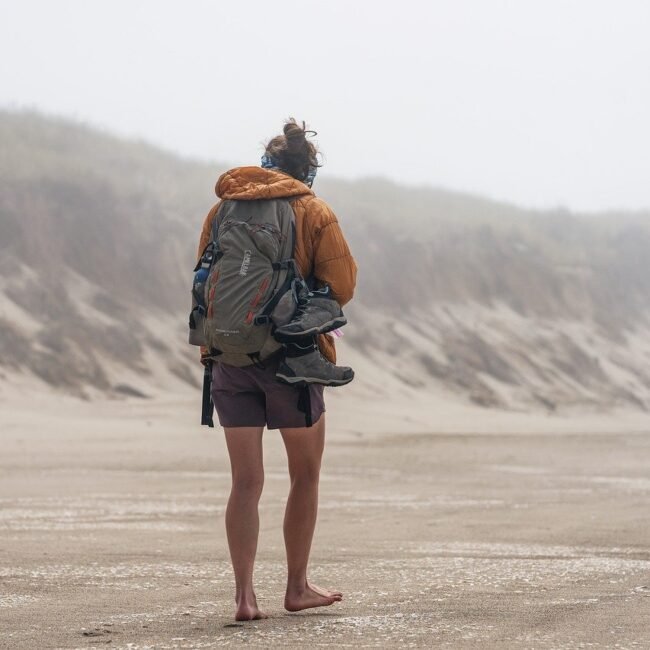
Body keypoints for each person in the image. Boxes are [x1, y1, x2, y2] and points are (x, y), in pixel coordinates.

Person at [196, 119, 357, 620]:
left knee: (246, 480)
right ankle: (296, 586)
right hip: (293, 360)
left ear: (264, 165)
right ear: (307, 170)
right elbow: (342, 283)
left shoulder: (223, 208)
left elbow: (205, 277)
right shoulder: (314, 210)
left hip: (229, 357)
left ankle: (244, 597)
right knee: (304, 475)